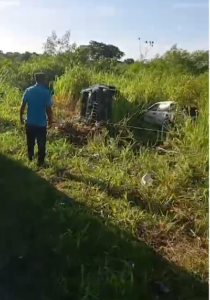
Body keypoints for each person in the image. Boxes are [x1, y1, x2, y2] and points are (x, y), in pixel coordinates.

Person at [20, 72, 53, 166]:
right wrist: (50, 121)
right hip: (41, 123)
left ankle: (30, 157)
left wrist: (21, 117)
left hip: (30, 122)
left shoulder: (28, 90)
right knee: (41, 143)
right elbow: (48, 109)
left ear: (36, 79)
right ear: (43, 80)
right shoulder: (46, 92)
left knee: (30, 141)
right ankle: (40, 161)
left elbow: (22, 106)